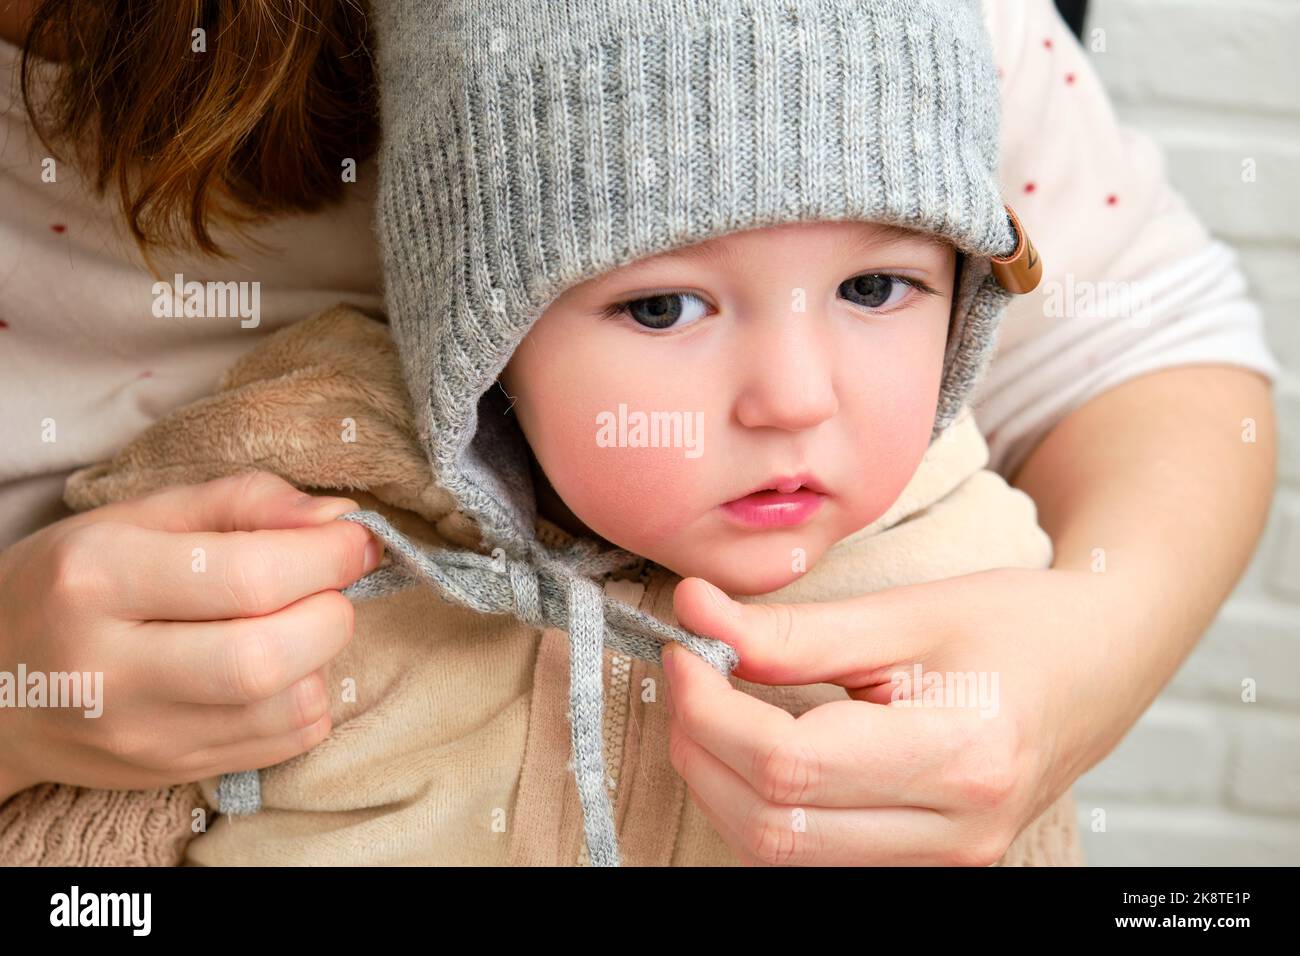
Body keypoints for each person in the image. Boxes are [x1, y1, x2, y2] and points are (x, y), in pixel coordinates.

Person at [0, 0, 1280, 866]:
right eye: (661, 304)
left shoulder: (961, 546)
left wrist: (1084, 657)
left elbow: (1154, 338)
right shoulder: (314, 505)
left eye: (877, 288)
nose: (793, 395)